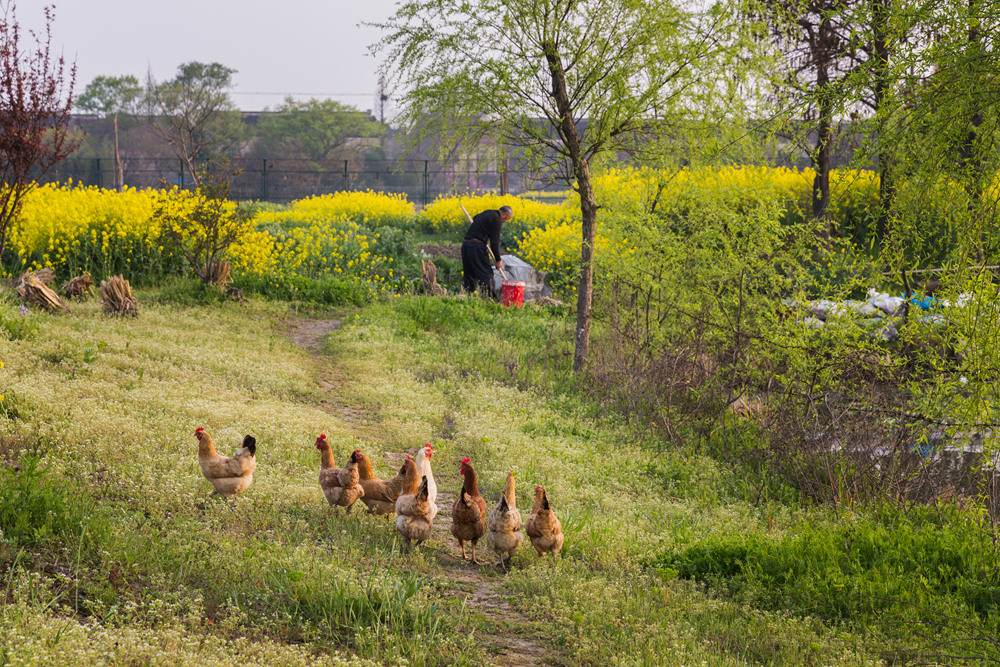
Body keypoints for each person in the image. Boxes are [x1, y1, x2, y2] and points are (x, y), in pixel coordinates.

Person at [461, 205, 513, 297]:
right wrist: (498, 260)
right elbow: (494, 242)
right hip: (477, 247)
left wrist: (482, 230)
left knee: (469, 274)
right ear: (504, 214)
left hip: (466, 245)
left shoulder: (488, 212)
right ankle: (491, 300)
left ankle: (469, 297)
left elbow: (475, 218)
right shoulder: (497, 219)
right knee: (486, 274)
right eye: (507, 219)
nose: (505, 221)